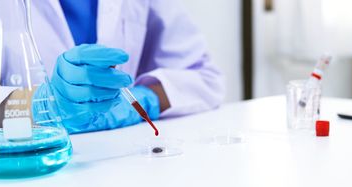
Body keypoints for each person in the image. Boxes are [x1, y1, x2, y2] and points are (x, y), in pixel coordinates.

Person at [31, 0, 225, 133]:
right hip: (26, 162)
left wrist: (144, 101)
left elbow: (205, 79)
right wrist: (41, 107)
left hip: (115, 161)